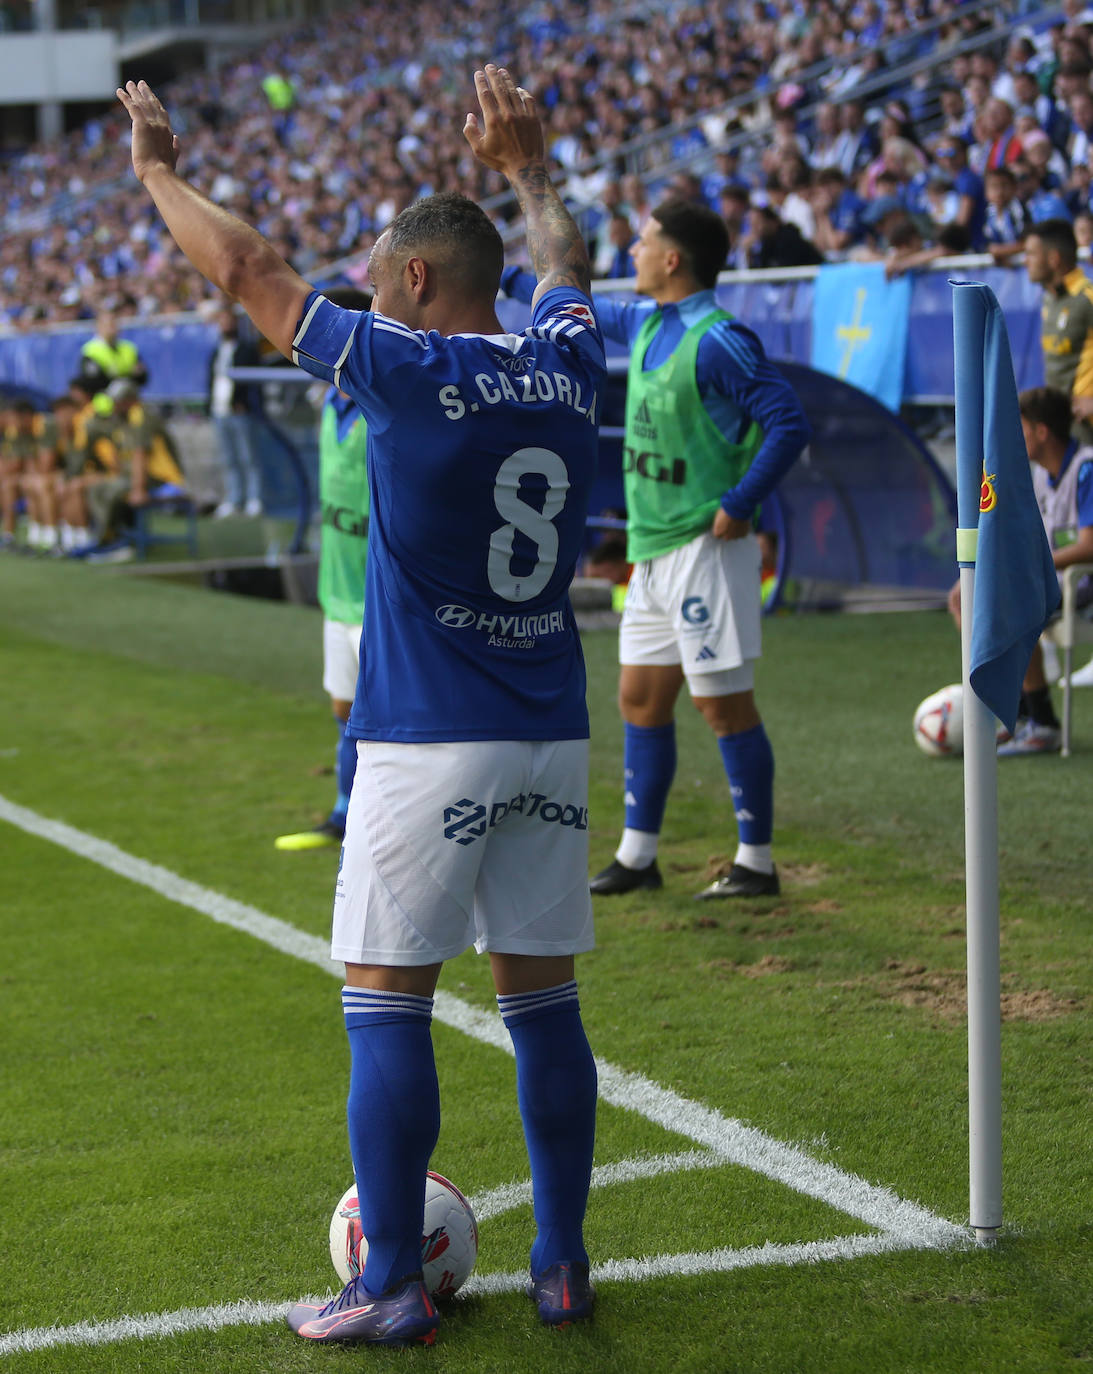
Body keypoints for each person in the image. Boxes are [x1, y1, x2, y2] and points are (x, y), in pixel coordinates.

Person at [119, 65, 603, 1346]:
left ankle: (389, 1278)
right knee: (542, 1003)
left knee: (386, 999)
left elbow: (249, 270)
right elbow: (565, 262)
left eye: (381, 267)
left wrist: (159, 171)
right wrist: (532, 170)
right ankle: (562, 1265)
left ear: (418, 284)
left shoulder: (402, 363)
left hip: (424, 737)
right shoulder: (566, 362)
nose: (366, 281)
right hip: (549, 724)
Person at [505, 199, 809, 899]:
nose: (632, 251)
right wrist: (512, 279)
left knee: (721, 706)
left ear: (672, 260)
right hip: (650, 551)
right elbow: (577, 302)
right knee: (639, 699)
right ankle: (638, 858)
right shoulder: (646, 325)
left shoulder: (720, 340)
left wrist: (740, 503)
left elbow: (786, 420)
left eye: (642, 242)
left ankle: (755, 864)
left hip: (705, 547)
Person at [275, 286, 373, 853]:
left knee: (386, 723)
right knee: (342, 710)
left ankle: (378, 825)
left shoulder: (385, 410)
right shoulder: (331, 404)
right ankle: (342, 813)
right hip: (337, 594)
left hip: (382, 601)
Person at [947, 386, 1093, 753]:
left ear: (1042, 431)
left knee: (1005, 607)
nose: (1016, 435)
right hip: (1052, 579)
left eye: (1022, 427)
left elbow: (1089, 546)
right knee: (965, 596)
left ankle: (1040, 721)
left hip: (1082, 582)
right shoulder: (1039, 475)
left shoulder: (1085, 469)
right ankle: (1018, 710)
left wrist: (1029, 565)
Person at [207, 306, 265, 518]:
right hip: (219, 411)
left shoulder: (247, 349)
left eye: (228, 320)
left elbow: (254, 382)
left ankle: (254, 498)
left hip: (239, 412)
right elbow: (211, 380)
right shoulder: (216, 350)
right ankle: (234, 498)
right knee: (228, 458)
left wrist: (247, 403)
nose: (225, 325)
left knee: (248, 456)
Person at [79, 309, 149, 395]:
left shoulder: (128, 347)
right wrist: (127, 376)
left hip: (130, 401)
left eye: (115, 324)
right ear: (99, 326)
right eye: (109, 324)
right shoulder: (90, 350)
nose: (113, 328)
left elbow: (142, 376)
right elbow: (93, 382)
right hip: (104, 404)